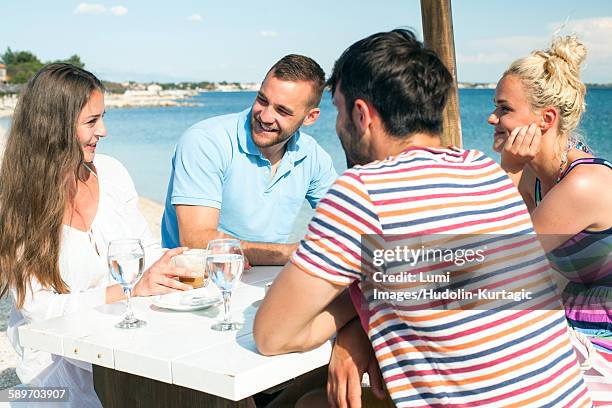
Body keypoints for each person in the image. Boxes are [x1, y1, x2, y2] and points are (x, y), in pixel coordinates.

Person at [254, 29, 592, 407]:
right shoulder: (487, 173)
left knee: (300, 404)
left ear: (362, 114)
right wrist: (361, 323)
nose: (337, 127)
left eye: (338, 109)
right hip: (564, 398)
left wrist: (356, 319)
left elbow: (272, 334)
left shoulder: (363, 191)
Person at [0, 64, 195, 407]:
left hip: (130, 348)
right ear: (52, 127)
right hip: (57, 378)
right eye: (91, 122)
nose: (103, 131)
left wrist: (178, 263)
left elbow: (145, 248)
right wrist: (126, 290)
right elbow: (40, 309)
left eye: (102, 117)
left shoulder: (113, 173)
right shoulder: (17, 202)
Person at [488, 36, 612, 400]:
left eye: (504, 108)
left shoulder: (583, 185)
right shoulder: (538, 176)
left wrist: (507, 168)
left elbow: (502, 263)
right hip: (578, 315)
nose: (492, 117)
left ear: (546, 119)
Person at [161, 54, 337, 265]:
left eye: (282, 111)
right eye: (262, 100)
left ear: (310, 117)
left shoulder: (313, 155)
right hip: (194, 283)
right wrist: (289, 253)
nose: (265, 116)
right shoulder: (205, 141)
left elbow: (350, 221)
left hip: (269, 278)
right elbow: (196, 240)